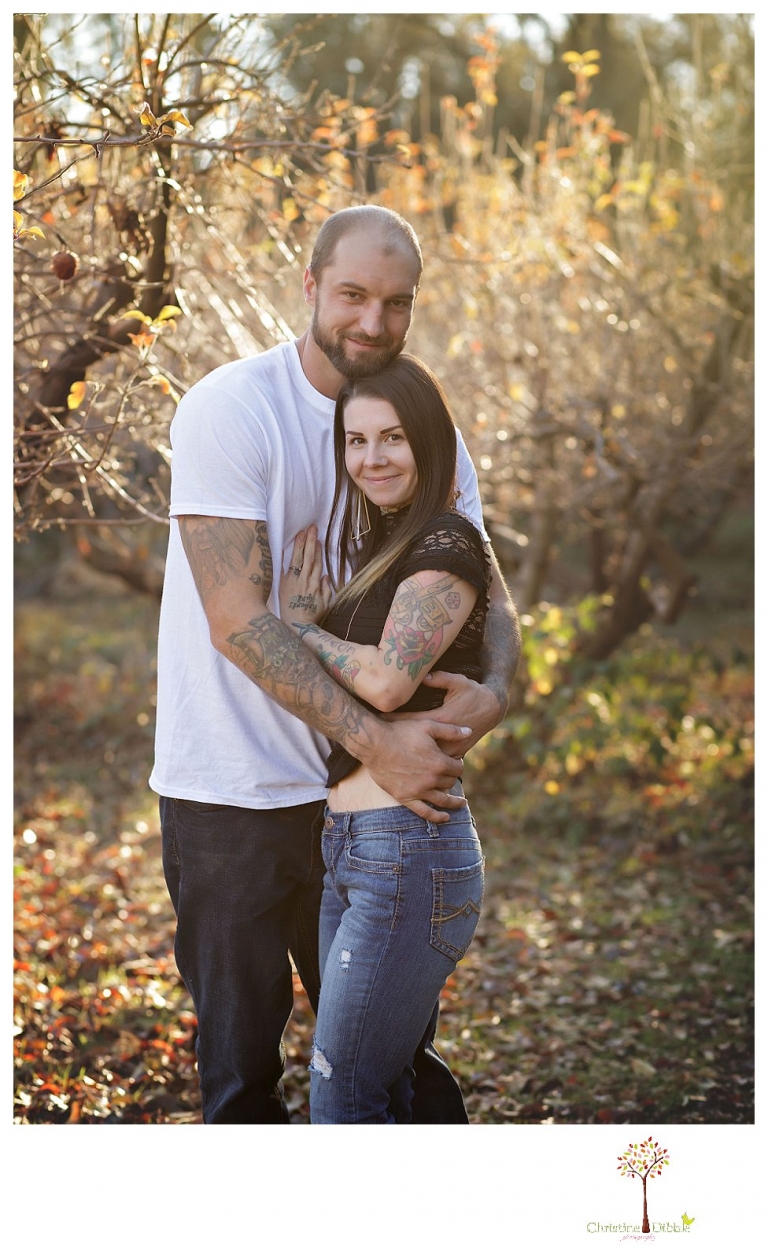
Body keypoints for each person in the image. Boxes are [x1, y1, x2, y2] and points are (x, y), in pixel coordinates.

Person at [149, 204, 521, 1123]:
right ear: (310, 286)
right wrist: (380, 736)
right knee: (240, 1079)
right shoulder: (232, 408)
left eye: (396, 303)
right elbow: (237, 620)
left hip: (365, 808)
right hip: (228, 793)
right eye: (353, 294)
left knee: (389, 1066)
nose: (372, 321)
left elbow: (489, 578)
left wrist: (501, 687)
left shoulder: (412, 420)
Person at [278, 354, 490, 1123]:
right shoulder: (389, 547)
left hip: (408, 849)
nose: (371, 458)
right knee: (384, 1089)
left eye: (392, 438)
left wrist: (301, 629)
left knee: (344, 1096)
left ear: (429, 441)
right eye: (356, 440)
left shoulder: (447, 541)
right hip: (352, 845)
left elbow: (391, 681)